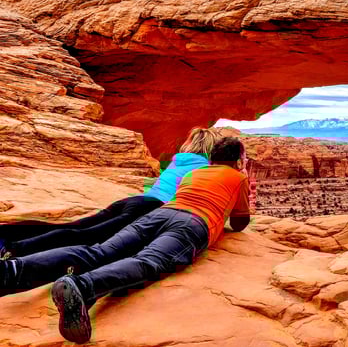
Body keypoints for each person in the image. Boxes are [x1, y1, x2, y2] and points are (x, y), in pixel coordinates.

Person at [0, 136, 251, 344]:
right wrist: (243, 178)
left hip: (158, 213)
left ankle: (13, 270)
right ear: (238, 159)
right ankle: (85, 287)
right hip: (193, 223)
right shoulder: (238, 177)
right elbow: (240, 222)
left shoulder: (195, 174)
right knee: (148, 261)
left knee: (99, 250)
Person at [0, 127, 217, 259]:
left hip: (136, 201)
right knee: (86, 236)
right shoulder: (205, 169)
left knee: (76, 226)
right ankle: (14, 250)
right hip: (151, 208)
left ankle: (7, 235)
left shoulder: (178, 161)